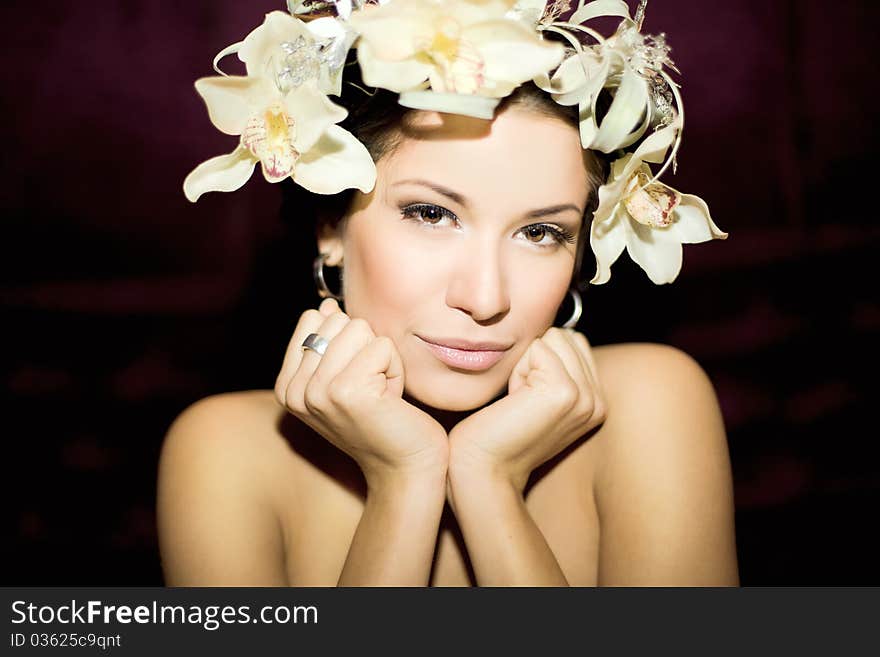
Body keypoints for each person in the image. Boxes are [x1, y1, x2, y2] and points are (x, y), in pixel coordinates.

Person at [157, 0, 738, 586]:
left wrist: (490, 481)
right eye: (431, 214)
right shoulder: (226, 454)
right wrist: (403, 477)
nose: (485, 299)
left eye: (541, 232)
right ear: (329, 227)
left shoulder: (649, 404)